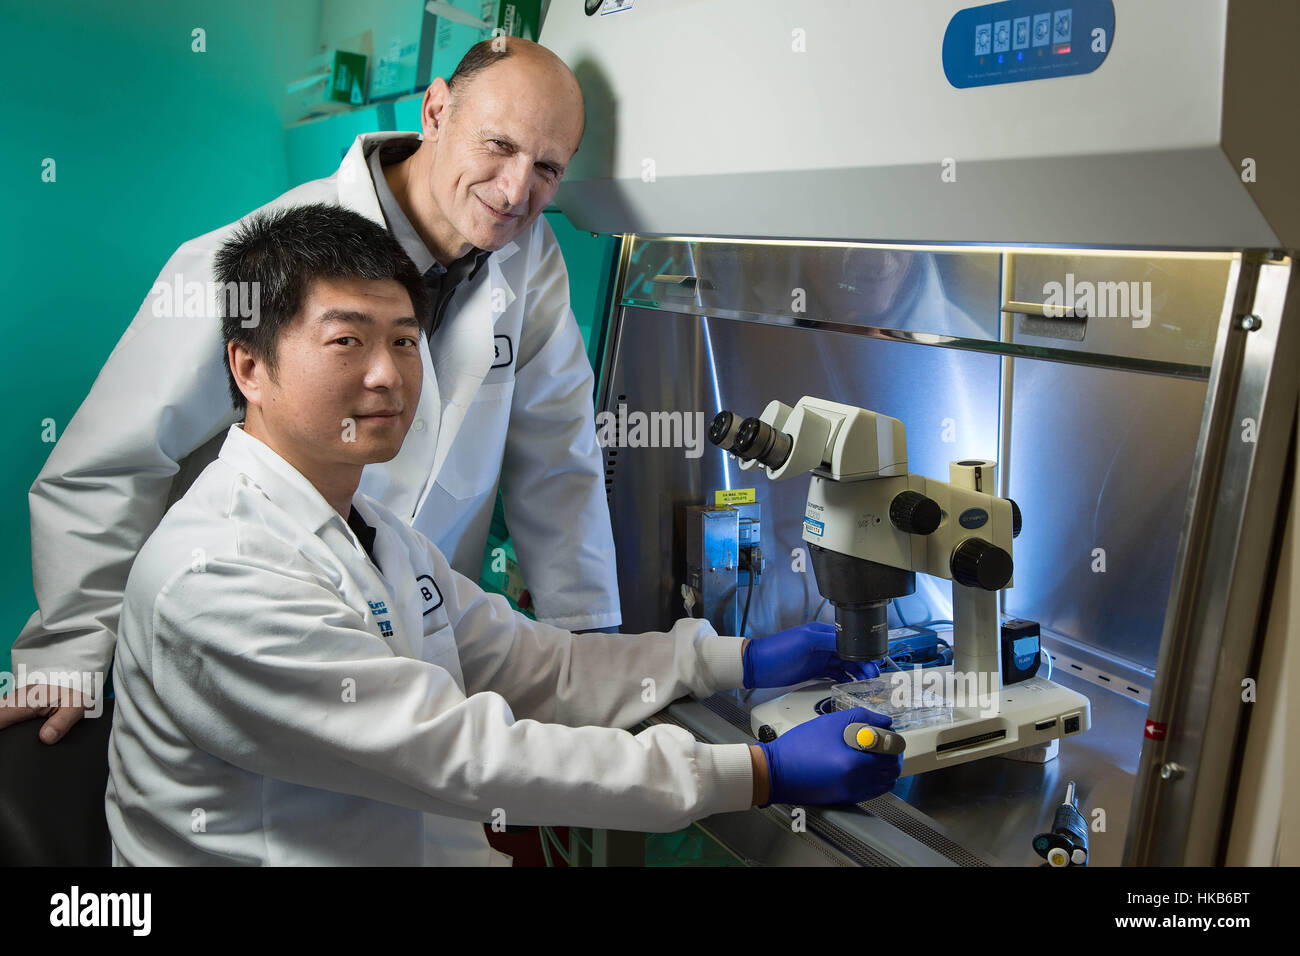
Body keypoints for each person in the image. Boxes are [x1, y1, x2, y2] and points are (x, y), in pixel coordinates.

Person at [105, 203, 900, 865]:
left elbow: (529, 663)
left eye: (405, 340)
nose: (387, 375)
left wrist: (729, 659)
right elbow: (463, 755)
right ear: (248, 368)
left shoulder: (372, 531)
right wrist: (757, 772)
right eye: (346, 341)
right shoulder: (219, 574)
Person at [3, 38, 622, 744]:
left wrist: (591, 648)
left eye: (547, 168)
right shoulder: (258, 257)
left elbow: (557, 456)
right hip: (253, 627)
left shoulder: (526, 259)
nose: (516, 191)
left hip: (412, 645)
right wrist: (72, 653)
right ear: (436, 108)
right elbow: (112, 458)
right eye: (498, 145)